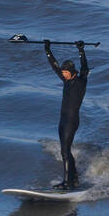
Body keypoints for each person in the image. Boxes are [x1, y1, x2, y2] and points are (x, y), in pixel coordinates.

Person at [44, 39, 89, 189]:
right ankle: (74, 178)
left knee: (64, 151)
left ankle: (67, 182)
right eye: (63, 73)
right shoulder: (66, 81)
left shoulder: (81, 81)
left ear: (72, 72)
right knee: (66, 149)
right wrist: (48, 50)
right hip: (62, 121)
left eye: (66, 73)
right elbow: (55, 67)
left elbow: (85, 69)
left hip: (71, 120)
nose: (63, 75)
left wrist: (81, 51)